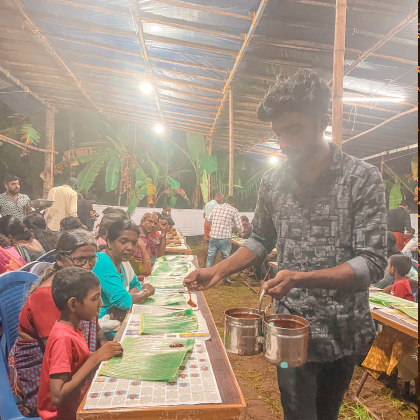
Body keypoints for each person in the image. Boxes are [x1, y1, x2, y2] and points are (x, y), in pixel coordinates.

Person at [185, 69, 387, 420]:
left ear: (323, 121)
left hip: (343, 328)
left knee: (328, 412)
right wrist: (217, 269)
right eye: (278, 133)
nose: (284, 143)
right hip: (289, 328)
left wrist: (301, 277)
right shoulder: (273, 182)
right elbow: (261, 237)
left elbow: (371, 263)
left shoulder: (362, 179)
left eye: (294, 129)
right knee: (296, 412)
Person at [8, 230, 105, 416]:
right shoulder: (48, 297)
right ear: (60, 260)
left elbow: (96, 329)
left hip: (75, 368)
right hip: (45, 385)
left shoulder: (81, 287)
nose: (87, 266)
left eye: (92, 259)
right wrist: (96, 358)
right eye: (80, 260)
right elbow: (57, 360)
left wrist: (105, 349)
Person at [37, 267, 123, 420]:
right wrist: (96, 358)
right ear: (73, 304)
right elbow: (57, 397)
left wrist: (102, 354)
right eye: (95, 298)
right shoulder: (62, 338)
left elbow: (78, 358)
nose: (101, 304)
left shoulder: (73, 329)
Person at [92, 220, 155, 340]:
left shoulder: (121, 261)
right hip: (103, 327)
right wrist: (147, 293)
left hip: (118, 318)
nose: (130, 248)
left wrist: (124, 303)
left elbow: (135, 285)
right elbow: (124, 302)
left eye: (134, 243)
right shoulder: (103, 262)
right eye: (123, 242)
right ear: (109, 242)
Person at [206, 196, 242, 285]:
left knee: (210, 257)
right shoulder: (233, 210)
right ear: (233, 203)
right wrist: (239, 230)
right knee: (225, 259)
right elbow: (239, 226)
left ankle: (207, 277)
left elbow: (209, 220)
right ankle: (225, 279)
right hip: (225, 237)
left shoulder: (217, 207)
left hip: (214, 236)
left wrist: (215, 227)